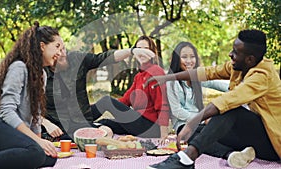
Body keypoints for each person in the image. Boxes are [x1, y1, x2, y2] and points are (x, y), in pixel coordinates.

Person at [145, 29, 281, 169]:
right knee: (193, 131)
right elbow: (207, 72)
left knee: (230, 110)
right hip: (253, 137)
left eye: (235, 52)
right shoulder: (241, 66)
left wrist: (192, 121)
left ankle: (186, 159)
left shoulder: (262, 76)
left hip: (272, 144)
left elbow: (228, 100)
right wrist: (169, 77)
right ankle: (234, 154)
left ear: (250, 59)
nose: (230, 54)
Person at [42, 35, 156, 140]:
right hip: (57, 127)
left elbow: (105, 58)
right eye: (57, 49)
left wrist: (132, 51)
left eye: (63, 48)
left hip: (81, 119)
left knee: (106, 118)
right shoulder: (39, 73)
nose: (63, 53)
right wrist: (46, 123)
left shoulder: (76, 59)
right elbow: (29, 110)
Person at [0, 22, 61, 169]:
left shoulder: (41, 74)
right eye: (57, 46)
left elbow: (35, 115)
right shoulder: (19, 67)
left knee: (48, 157)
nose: (60, 53)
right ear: (42, 46)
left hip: (8, 131)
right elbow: (6, 111)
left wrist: (40, 142)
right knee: (35, 153)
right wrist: (37, 144)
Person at [91, 35, 170, 138]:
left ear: (153, 53)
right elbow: (125, 101)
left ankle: (78, 120)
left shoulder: (156, 72)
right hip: (137, 124)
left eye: (146, 49)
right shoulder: (139, 76)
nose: (142, 53)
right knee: (104, 122)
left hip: (150, 126)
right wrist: (101, 106)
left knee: (107, 101)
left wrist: (164, 134)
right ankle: (67, 135)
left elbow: (162, 104)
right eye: (139, 49)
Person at [167, 42, 229, 135]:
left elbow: (216, 83)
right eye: (184, 57)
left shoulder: (197, 78)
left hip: (201, 123)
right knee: (210, 143)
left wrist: (240, 88)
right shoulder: (172, 82)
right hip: (184, 126)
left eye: (192, 57)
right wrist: (202, 119)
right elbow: (177, 111)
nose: (189, 61)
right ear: (177, 59)